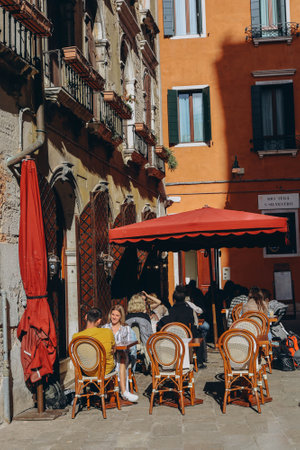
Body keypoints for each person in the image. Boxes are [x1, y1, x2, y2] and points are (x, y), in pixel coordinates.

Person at [103, 305, 138, 403]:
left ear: (121, 317)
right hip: (109, 356)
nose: (114, 317)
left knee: (122, 359)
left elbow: (131, 346)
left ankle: (123, 391)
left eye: (117, 315)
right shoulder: (105, 328)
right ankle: (121, 391)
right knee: (117, 359)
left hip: (122, 355)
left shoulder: (126, 329)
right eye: (113, 314)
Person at [72, 307, 115, 376]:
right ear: (99, 321)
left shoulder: (76, 337)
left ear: (86, 317)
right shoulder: (107, 332)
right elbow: (113, 349)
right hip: (105, 371)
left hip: (87, 371)